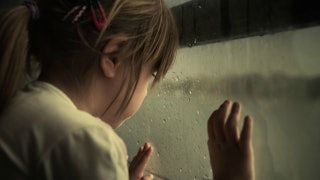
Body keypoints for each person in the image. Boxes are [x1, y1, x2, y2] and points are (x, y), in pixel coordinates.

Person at [0, 0, 255, 179]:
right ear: (113, 58)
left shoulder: (17, 106)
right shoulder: (87, 140)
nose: (145, 92)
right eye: (149, 75)